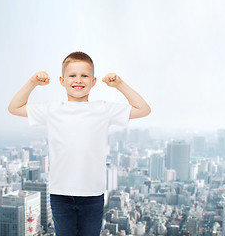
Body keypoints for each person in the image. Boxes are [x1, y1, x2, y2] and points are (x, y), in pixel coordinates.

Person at [8, 51, 151, 236]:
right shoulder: (52, 109)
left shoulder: (103, 109)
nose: (78, 80)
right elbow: (14, 108)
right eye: (72, 75)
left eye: (84, 75)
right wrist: (32, 83)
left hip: (93, 194)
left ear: (93, 81)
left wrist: (120, 85)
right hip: (60, 195)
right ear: (62, 80)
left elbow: (144, 109)